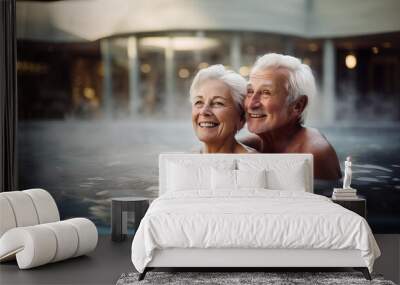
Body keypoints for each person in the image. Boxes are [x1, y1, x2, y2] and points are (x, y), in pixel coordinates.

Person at [242, 53, 341, 179]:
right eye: (250, 91)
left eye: (266, 92)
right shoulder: (251, 145)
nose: (251, 104)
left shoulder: (313, 154)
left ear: (297, 105)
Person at [190, 64, 257, 153]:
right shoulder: (185, 159)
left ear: (241, 118)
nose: (204, 111)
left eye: (218, 103)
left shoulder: (255, 163)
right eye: (199, 102)